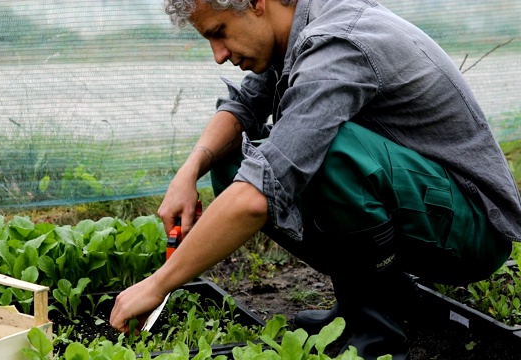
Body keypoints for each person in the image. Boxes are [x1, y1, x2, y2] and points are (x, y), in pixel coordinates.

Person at [110, 0, 521, 358]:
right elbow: (244, 105)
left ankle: (376, 336)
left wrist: (159, 284)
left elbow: (258, 194)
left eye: (220, 32)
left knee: (329, 153)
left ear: (257, 2)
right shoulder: (297, 28)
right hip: (428, 208)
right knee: (233, 154)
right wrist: (189, 171)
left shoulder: (337, 44)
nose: (219, 54)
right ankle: (361, 304)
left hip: (473, 228)